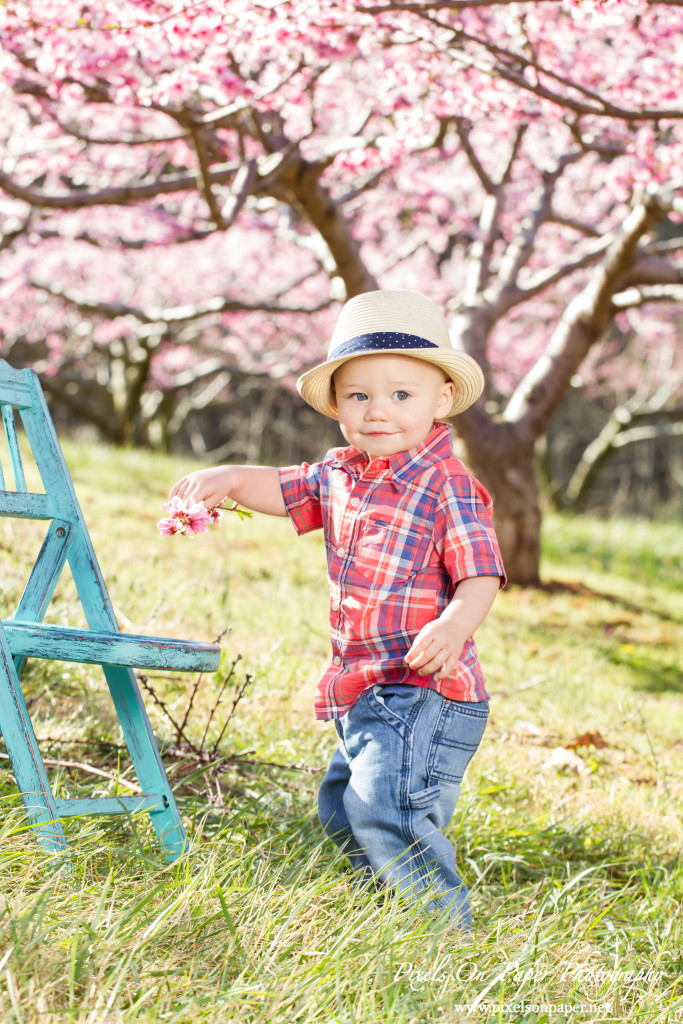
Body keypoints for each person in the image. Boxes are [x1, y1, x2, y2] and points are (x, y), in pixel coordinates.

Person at [169, 289, 505, 930]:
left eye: (401, 395)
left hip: (424, 687)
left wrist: (455, 624)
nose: (379, 410)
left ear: (440, 401)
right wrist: (230, 480)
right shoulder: (341, 474)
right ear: (338, 406)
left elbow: (480, 572)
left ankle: (441, 934)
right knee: (340, 807)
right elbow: (280, 487)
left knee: (390, 807)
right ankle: (381, 910)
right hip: (364, 688)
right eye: (359, 396)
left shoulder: (448, 485)